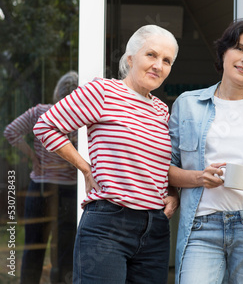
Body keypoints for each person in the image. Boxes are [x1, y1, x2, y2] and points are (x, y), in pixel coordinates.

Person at [34, 25, 180, 283]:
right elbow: (46, 126)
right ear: (130, 58)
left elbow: (157, 164)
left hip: (155, 229)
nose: (159, 65)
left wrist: (171, 192)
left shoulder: (161, 110)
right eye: (151, 55)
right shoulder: (103, 92)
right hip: (109, 225)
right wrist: (85, 167)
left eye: (166, 61)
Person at [168, 19, 243, 284]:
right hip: (202, 227)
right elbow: (166, 169)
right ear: (224, 52)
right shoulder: (188, 104)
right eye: (239, 48)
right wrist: (198, 178)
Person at [4, 71, 78, 283]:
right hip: (69, 192)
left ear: (57, 91)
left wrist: (33, 156)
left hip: (41, 188)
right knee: (64, 252)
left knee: (33, 248)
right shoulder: (80, 120)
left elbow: (11, 132)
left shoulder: (40, 112)